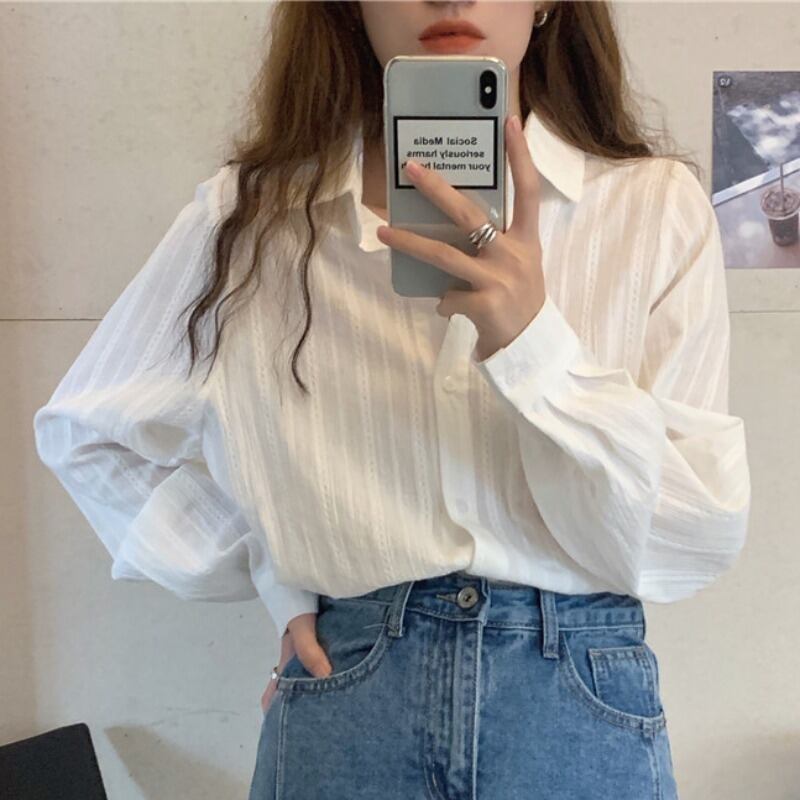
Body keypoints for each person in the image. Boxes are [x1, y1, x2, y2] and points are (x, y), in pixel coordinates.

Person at [33, 1, 752, 798]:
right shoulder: (254, 220)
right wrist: (276, 569)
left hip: (575, 707)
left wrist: (534, 349)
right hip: (349, 693)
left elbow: (693, 534)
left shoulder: (654, 209)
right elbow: (88, 435)